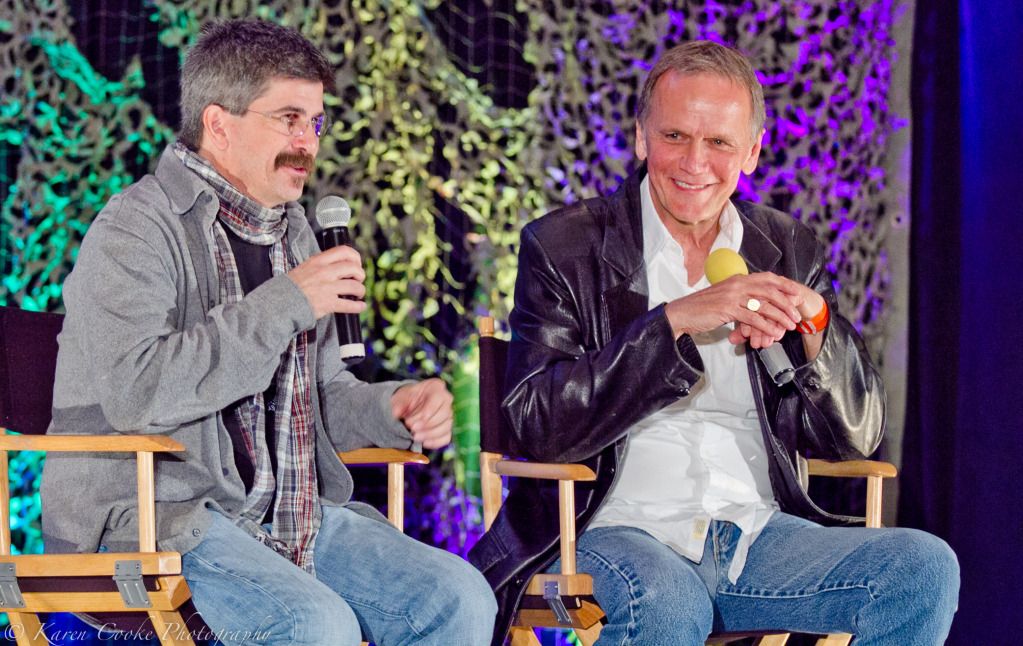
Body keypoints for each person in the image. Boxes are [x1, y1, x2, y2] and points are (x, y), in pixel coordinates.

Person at [469, 40, 958, 644]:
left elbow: (858, 436)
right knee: (669, 604)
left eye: (720, 142)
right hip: (608, 529)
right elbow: (535, 424)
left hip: (755, 536)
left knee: (920, 568)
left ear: (751, 153)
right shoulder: (565, 246)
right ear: (642, 137)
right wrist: (672, 324)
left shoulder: (786, 247)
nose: (694, 162)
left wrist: (816, 330)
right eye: (675, 136)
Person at [41, 18, 495, 645]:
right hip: (160, 518)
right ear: (218, 124)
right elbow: (137, 392)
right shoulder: (136, 228)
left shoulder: (295, 235)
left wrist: (393, 408)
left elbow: (319, 400)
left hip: (290, 513)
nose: (307, 142)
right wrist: (285, 303)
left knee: (458, 597)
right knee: (315, 625)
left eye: (315, 122)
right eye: (288, 119)